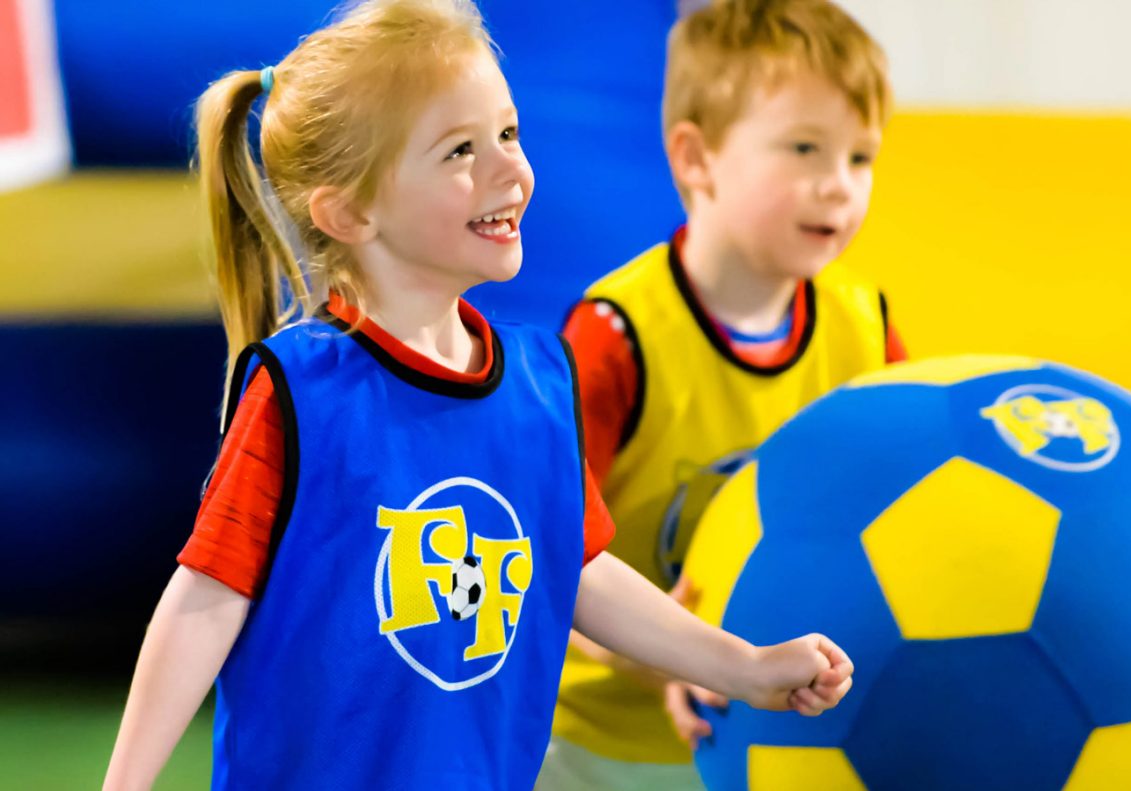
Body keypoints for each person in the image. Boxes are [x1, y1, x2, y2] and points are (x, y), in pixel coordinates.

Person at [99, 2, 853, 789]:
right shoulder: (300, 393)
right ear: (350, 210)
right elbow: (207, 597)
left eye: (508, 133)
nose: (510, 170)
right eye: (461, 149)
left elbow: (578, 571)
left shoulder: (538, 382)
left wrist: (746, 666)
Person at [544, 1, 903, 788]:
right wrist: (671, 657)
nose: (837, 187)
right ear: (696, 159)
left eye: (860, 157)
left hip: (799, 737)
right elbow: (539, 553)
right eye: (805, 148)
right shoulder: (617, 337)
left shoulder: (866, 324)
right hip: (604, 747)